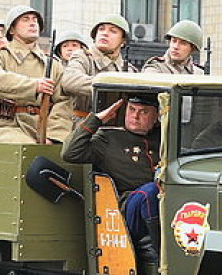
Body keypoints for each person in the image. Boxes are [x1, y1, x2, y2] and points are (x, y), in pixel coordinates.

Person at [62, 94, 161, 264]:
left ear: (156, 116)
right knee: (149, 192)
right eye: (131, 110)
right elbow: (70, 152)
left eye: (143, 112)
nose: (135, 117)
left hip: (166, 203)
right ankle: (158, 253)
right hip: (128, 209)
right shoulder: (108, 138)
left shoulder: (163, 138)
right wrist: (97, 119)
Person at [0, 5, 71, 144]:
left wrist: (54, 135)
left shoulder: (53, 65)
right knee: (25, 149)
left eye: (35, 20)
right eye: (25, 19)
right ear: (12, 29)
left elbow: (63, 101)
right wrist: (34, 85)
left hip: (41, 129)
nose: (32, 23)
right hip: (5, 126)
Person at [62, 14, 136, 121]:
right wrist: (108, 86)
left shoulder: (129, 70)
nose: (105, 33)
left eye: (113, 31)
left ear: (123, 41)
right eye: (101, 29)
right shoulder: (82, 57)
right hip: (82, 124)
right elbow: (70, 81)